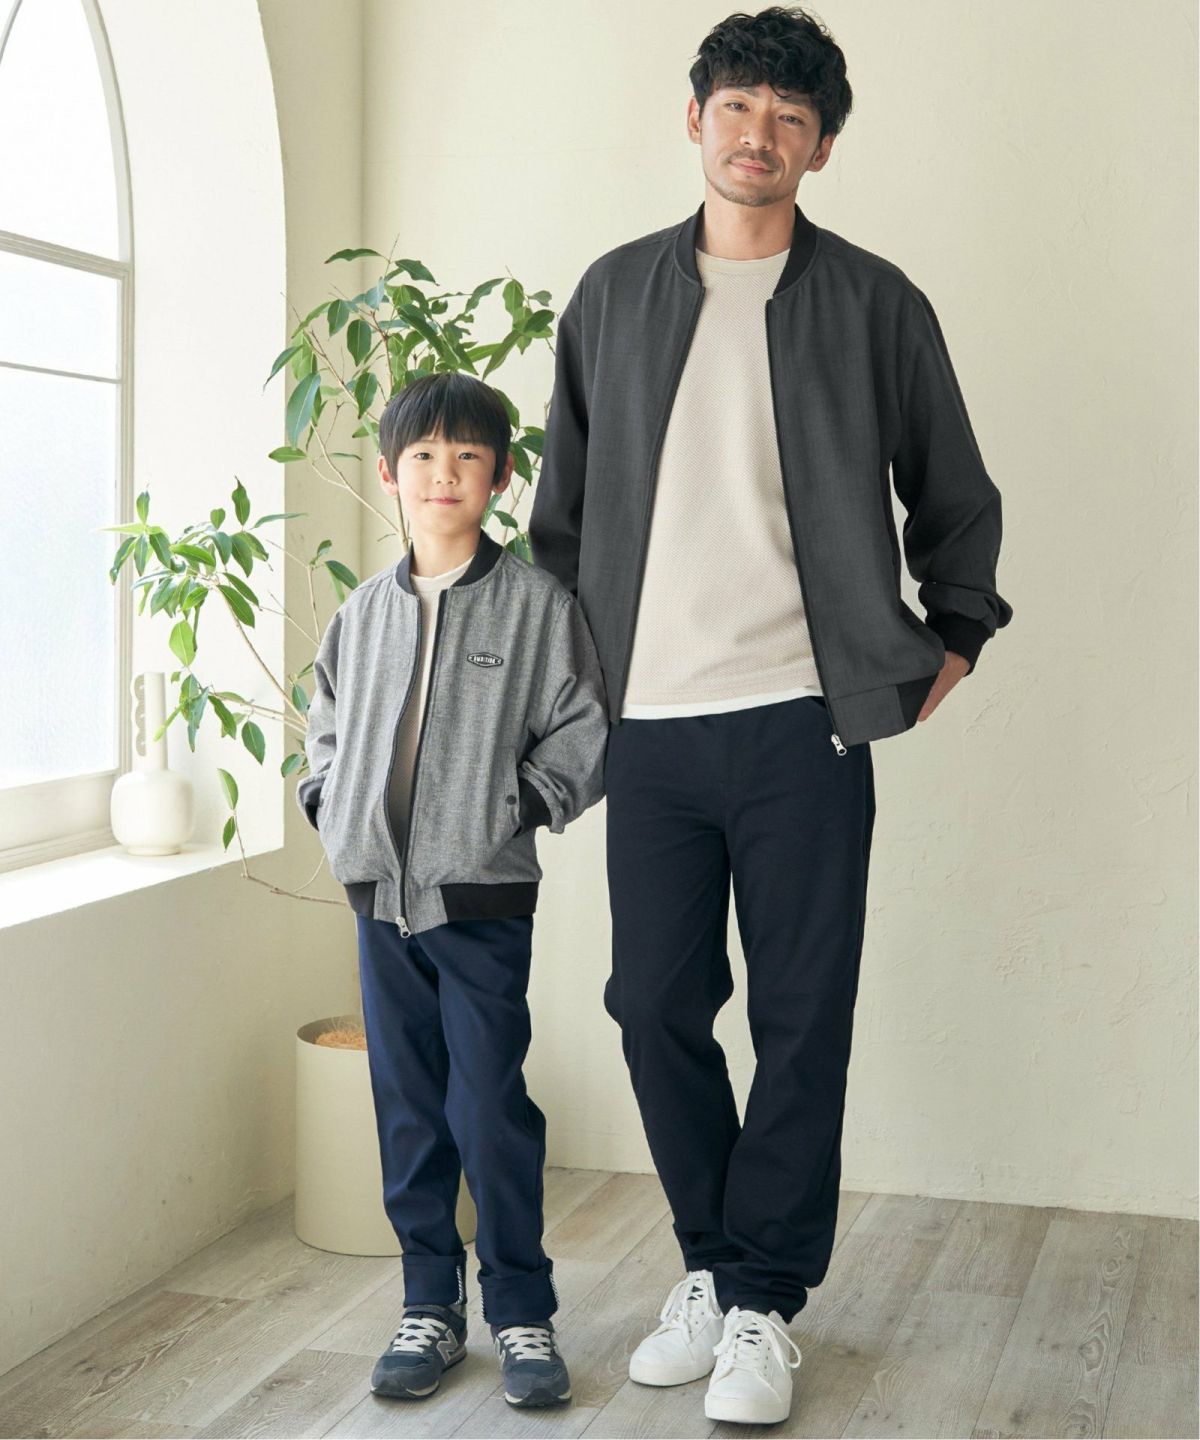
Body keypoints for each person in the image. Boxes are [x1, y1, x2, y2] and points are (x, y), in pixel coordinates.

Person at [530, 5, 1013, 1427]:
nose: (761, 136)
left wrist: (953, 639)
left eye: (792, 119)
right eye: (739, 108)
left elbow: (955, 493)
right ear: (696, 120)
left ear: (822, 147)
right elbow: (561, 522)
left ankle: (759, 1304)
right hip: (651, 727)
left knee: (804, 1018)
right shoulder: (612, 296)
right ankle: (713, 1264)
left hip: (805, 722)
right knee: (652, 1006)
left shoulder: (874, 303)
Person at [297, 371, 609, 1409]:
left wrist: (520, 805)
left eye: (467, 456)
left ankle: (522, 1313)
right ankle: (428, 1304)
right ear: (390, 474)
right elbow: (326, 724)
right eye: (424, 456)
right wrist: (325, 800)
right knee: (409, 1112)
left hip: (479, 905)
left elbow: (583, 726)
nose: (445, 474)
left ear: (499, 476)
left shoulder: (536, 606)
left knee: (487, 1109)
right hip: (378, 905)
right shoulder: (362, 613)